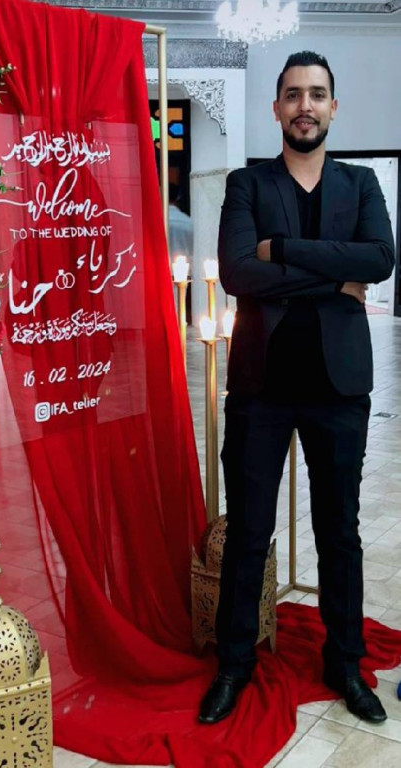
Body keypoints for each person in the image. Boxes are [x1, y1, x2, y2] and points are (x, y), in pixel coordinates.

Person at [199, 51, 395, 726]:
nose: (304, 106)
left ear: (332, 107)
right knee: (248, 531)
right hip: (261, 384)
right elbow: (236, 274)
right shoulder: (248, 185)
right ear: (277, 108)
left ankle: (345, 663)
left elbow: (379, 259)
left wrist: (280, 249)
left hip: (339, 387)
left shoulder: (360, 183)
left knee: (339, 531)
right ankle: (234, 665)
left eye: (316, 94)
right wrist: (334, 277)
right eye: (292, 95)